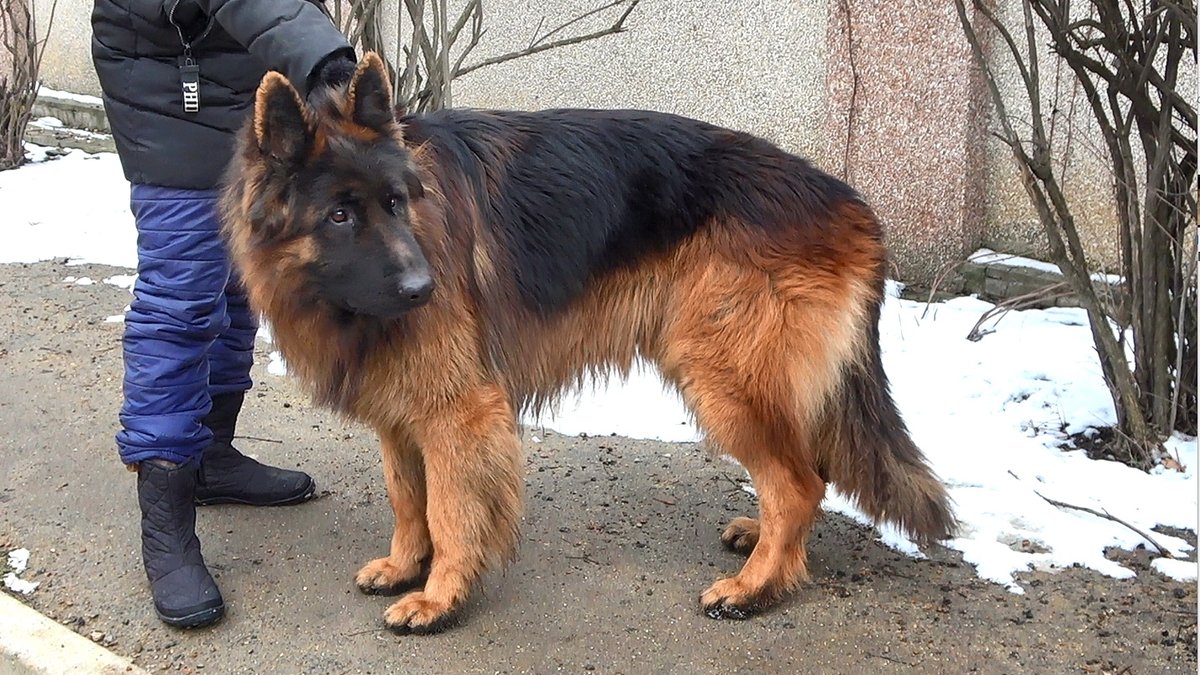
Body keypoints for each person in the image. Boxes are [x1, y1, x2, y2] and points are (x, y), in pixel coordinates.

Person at [90, 0, 359, 629]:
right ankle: (166, 520)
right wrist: (322, 58)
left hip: (249, 77)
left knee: (242, 292)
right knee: (179, 303)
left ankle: (212, 456)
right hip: (169, 91)